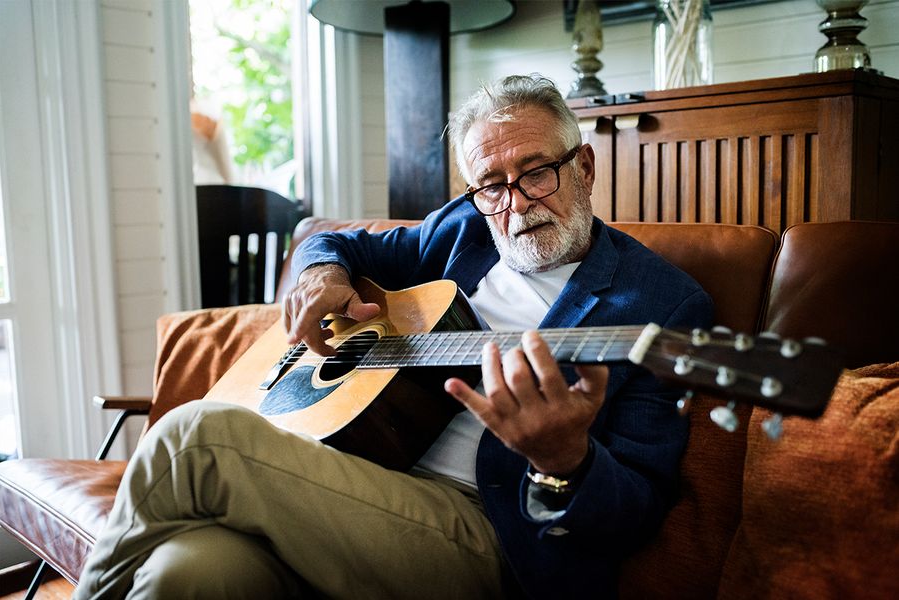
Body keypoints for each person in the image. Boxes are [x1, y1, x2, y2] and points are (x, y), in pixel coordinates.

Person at [75, 74, 713, 599]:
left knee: (195, 435)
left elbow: (638, 506)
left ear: (585, 167)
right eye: (492, 184)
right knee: (184, 572)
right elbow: (337, 242)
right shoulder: (465, 227)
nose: (515, 204)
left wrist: (564, 461)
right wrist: (322, 273)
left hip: (487, 531)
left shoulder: (663, 305)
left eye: (537, 171)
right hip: (356, 473)